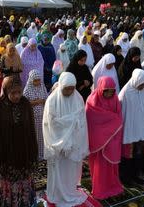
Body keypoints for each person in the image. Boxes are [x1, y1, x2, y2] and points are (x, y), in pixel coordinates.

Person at [43, 72, 99, 207]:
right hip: (58, 145)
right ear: (61, 86)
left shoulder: (78, 99)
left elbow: (81, 122)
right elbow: (49, 123)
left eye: (71, 88)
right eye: (66, 88)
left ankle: (69, 191)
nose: (69, 91)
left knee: (70, 171)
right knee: (58, 171)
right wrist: (62, 141)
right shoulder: (52, 100)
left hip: (73, 144)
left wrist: (72, 139)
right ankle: (57, 193)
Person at [0, 76, 38, 207]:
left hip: (23, 156)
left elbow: (32, 131)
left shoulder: (25, 104)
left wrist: (33, 154)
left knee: (23, 192)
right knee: (8, 192)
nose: (17, 96)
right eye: (13, 93)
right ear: (5, 91)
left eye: (19, 92)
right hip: (5, 159)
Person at [85, 76, 123, 200]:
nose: (109, 94)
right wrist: (111, 120)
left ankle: (111, 186)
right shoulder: (92, 100)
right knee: (100, 167)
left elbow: (118, 118)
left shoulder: (115, 99)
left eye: (112, 91)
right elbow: (92, 119)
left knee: (111, 166)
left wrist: (111, 123)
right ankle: (100, 189)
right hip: (98, 141)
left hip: (111, 140)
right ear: (101, 88)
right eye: (107, 91)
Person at [118, 69, 144, 185]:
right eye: (142, 84)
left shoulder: (141, 91)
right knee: (128, 156)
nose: (143, 86)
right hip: (129, 129)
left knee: (139, 155)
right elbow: (120, 112)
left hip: (140, 128)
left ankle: (135, 175)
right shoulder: (125, 93)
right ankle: (125, 178)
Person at [23, 69, 48, 160]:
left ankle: (41, 153)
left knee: (42, 136)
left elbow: (47, 99)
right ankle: (33, 154)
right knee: (34, 135)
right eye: (35, 80)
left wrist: (42, 101)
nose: (37, 82)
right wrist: (36, 102)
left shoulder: (42, 87)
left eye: (38, 80)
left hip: (42, 116)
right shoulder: (27, 89)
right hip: (32, 117)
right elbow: (25, 103)